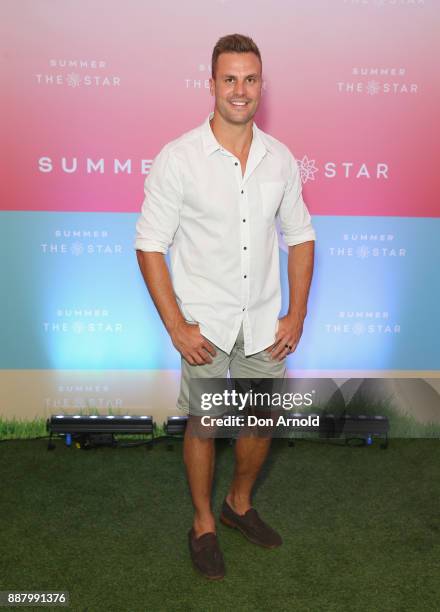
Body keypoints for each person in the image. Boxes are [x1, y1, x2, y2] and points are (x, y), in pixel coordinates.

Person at [134, 33, 315, 580]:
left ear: (262, 85)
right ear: (211, 84)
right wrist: (176, 325)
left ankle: (237, 505)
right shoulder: (178, 158)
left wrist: (297, 313)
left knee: (259, 422)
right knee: (206, 425)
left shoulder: (279, 159)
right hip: (204, 324)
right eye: (230, 79)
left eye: (250, 79)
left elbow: (301, 237)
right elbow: (149, 244)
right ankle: (203, 524)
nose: (241, 90)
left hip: (263, 320)